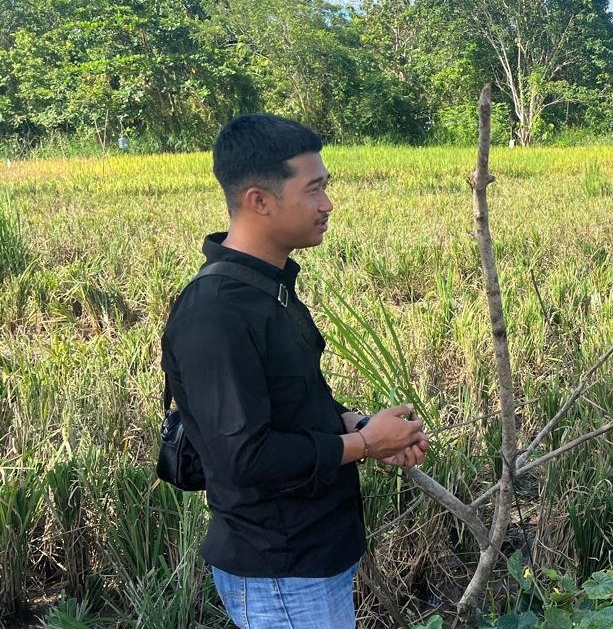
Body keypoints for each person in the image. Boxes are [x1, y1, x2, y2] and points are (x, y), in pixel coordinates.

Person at [160, 114, 429, 628]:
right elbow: (244, 457)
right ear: (259, 201)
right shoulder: (215, 314)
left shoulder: (270, 289)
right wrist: (364, 445)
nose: (328, 204)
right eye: (314, 189)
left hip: (313, 557)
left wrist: (362, 427)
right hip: (279, 572)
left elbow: (295, 404)